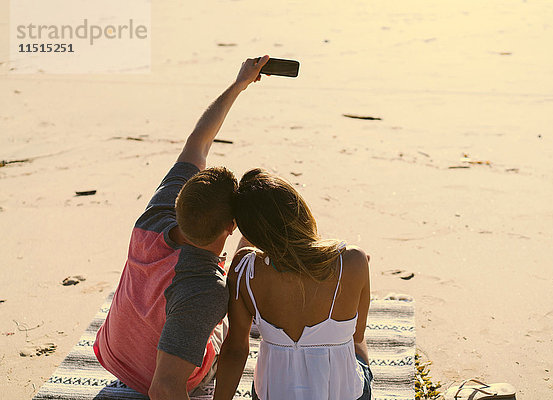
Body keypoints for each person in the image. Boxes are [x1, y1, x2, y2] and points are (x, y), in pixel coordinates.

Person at [93, 55, 270, 400]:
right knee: (229, 310)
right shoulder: (205, 290)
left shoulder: (156, 214)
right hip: (159, 378)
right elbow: (164, 388)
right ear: (231, 226)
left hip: (115, 354)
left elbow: (198, 141)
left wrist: (239, 84)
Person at [213, 169, 373, 400]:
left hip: (271, 393)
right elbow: (357, 335)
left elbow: (236, 350)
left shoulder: (242, 268)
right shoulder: (354, 259)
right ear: (300, 210)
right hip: (342, 394)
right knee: (355, 341)